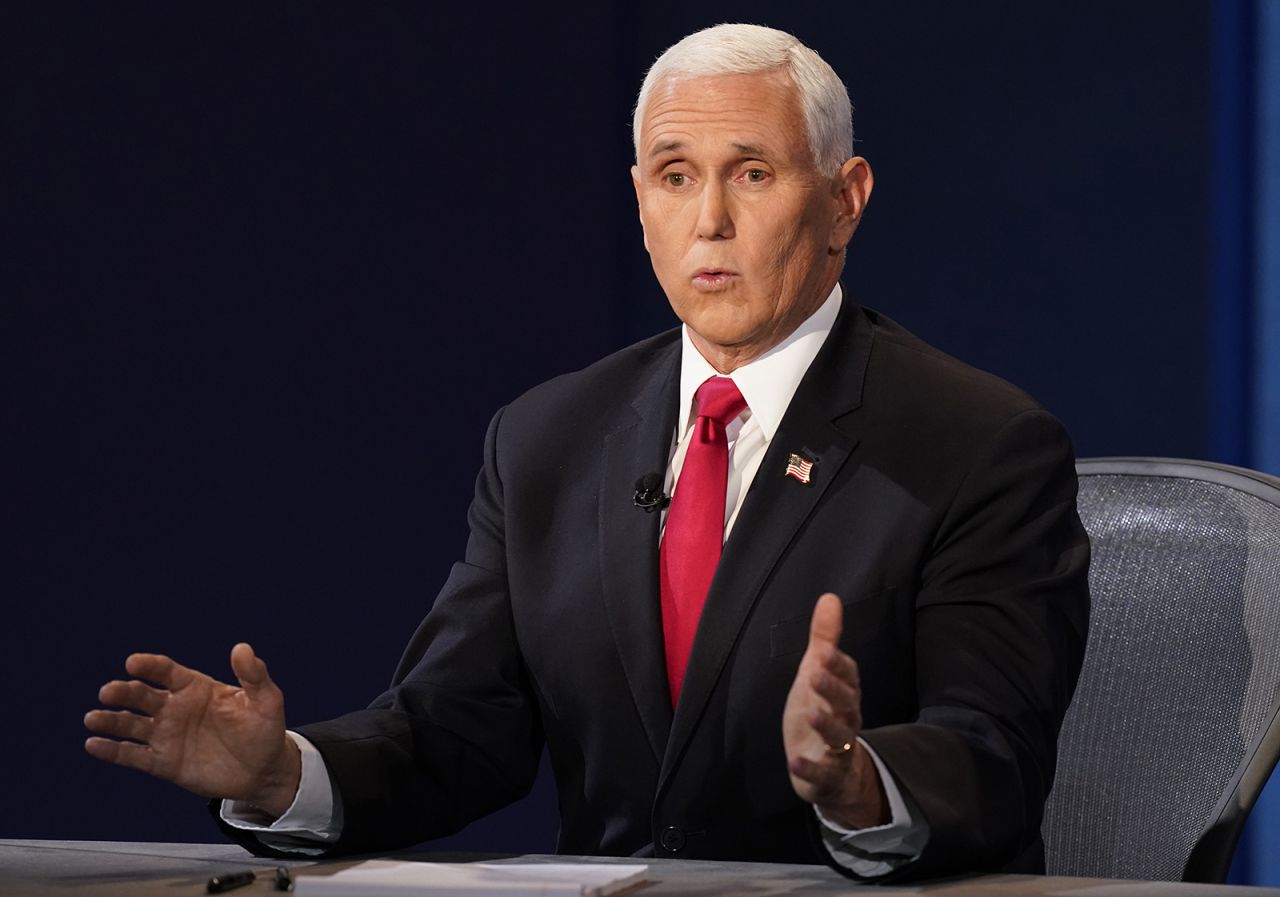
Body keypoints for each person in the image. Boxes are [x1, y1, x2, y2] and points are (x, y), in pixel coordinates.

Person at [84, 24, 1089, 882]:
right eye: (675, 176)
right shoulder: (548, 438)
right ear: (639, 201)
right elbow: (454, 731)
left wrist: (859, 779)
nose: (711, 221)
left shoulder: (976, 442)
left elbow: (990, 752)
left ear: (842, 199)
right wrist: (281, 774)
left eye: (751, 172)